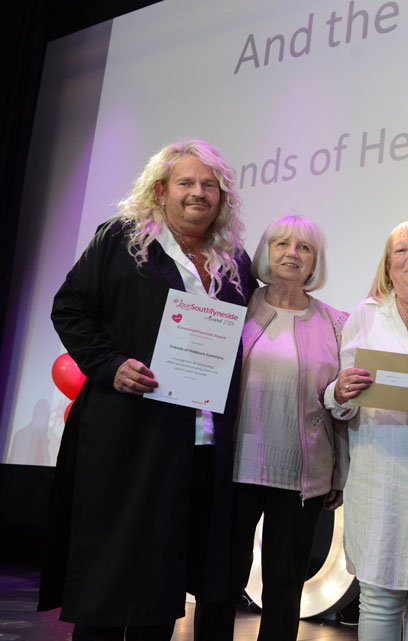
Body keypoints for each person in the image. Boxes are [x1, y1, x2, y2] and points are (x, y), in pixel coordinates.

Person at [41, 140, 256, 641]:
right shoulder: (122, 240)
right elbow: (68, 307)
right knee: (111, 570)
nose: (198, 194)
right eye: (186, 183)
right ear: (161, 191)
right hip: (126, 434)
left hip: (198, 443)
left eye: (209, 185)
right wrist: (109, 364)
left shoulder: (234, 261)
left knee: (165, 576)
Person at [325, 221, 408, 641]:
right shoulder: (365, 315)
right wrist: (339, 392)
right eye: (401, 251)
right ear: (387, 266)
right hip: (381, 474)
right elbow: (340, 397)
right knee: (379, 596)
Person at [227, 214, 348, 640]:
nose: (292, 254)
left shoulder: (337, 323)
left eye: (304, 247)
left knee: (284, 588)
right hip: (233, 467)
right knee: (220, 585)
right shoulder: (235, 307)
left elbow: (341, 408)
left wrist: (340, 473)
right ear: (264, 253)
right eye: (281, 244)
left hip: (302, 473)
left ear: (316, 262)